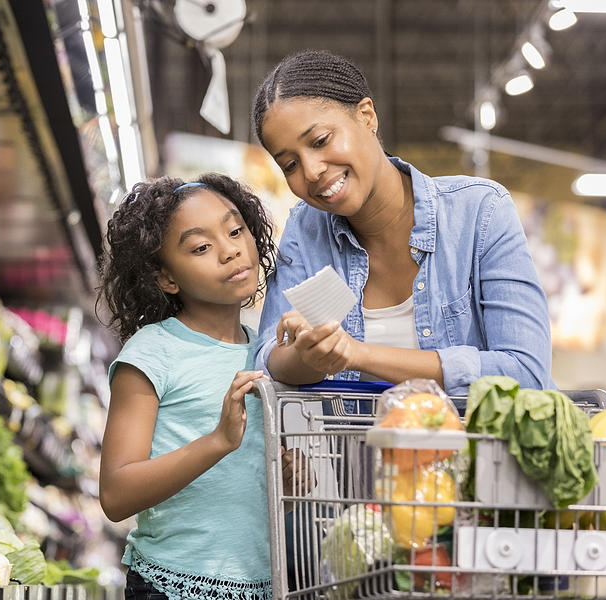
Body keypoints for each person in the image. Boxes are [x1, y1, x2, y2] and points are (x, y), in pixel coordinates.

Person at [250, 49, 555, 397]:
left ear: (366, 116)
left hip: (479, 451)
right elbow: (267, 363)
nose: (312, 170)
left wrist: (358, 354)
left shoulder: (479, 212)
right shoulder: (306, 231)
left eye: (320, 141)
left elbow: (525, 372)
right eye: (289, 164)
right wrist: (308, 353)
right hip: (351, 453)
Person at [97, 174, 283, 600]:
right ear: (166, 279)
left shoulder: (266, 350)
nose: (231, 250)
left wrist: (292, 477)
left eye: (236, 231)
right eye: (201, 247)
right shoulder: (152, 351)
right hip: (171, 584)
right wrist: (218, 441)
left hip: (261, 584)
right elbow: (116, 494)